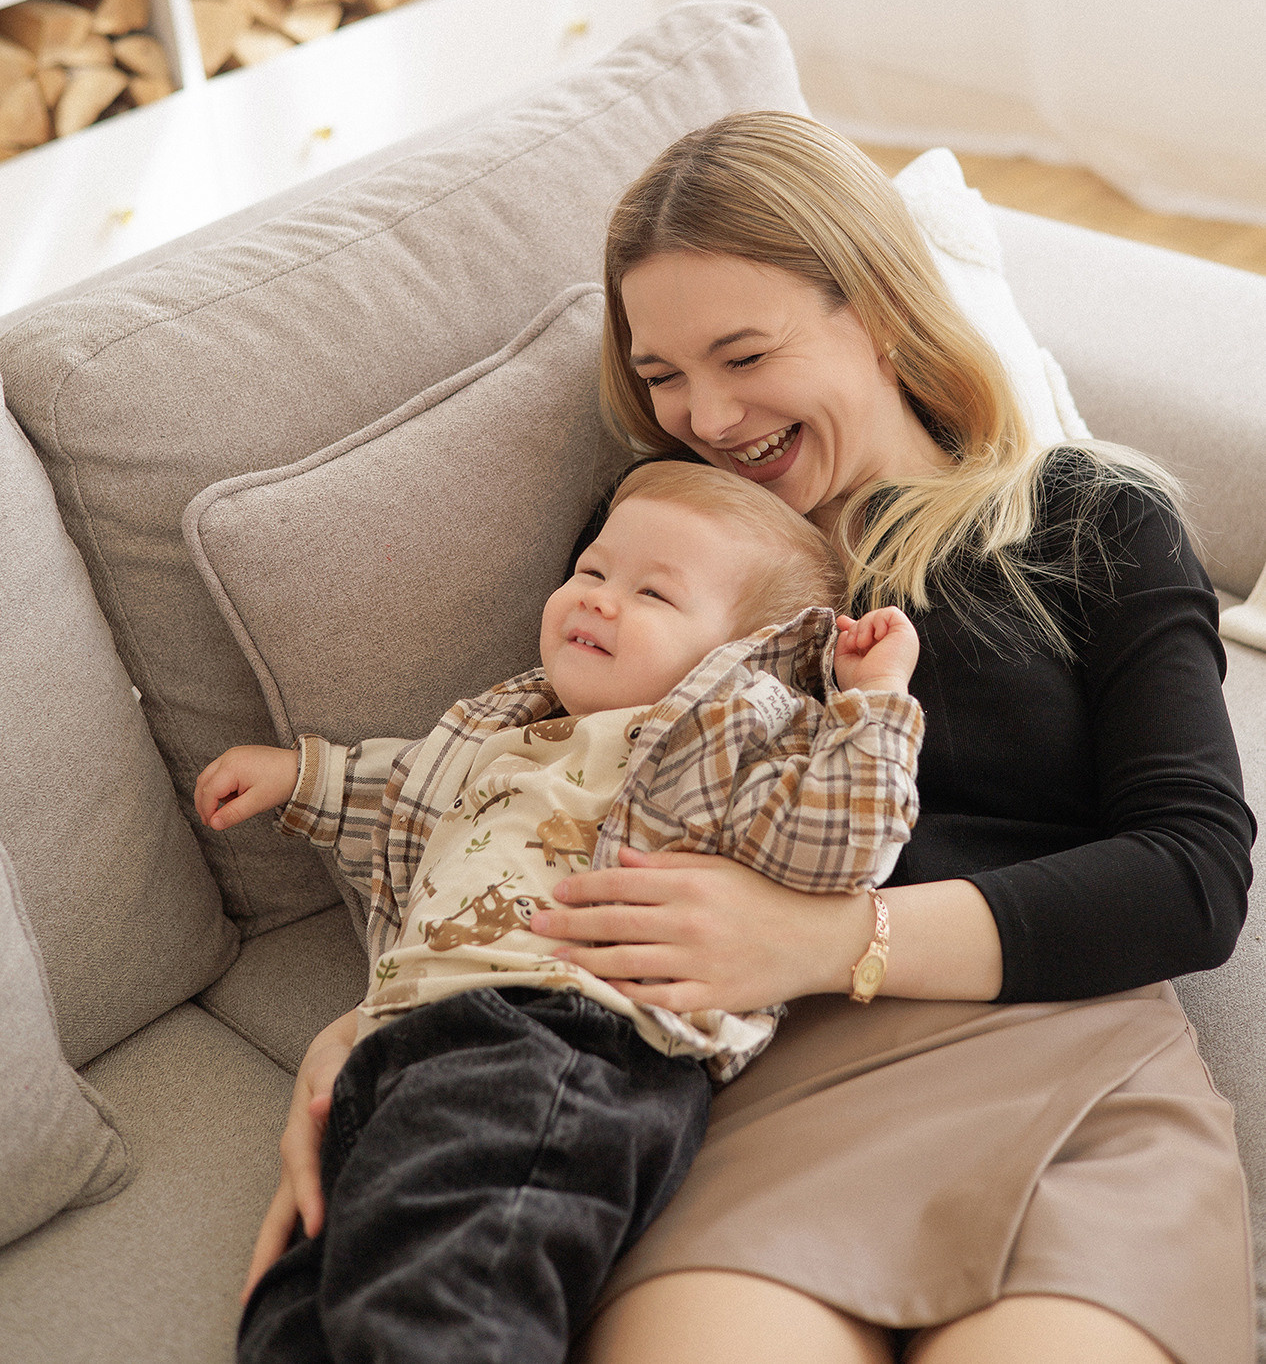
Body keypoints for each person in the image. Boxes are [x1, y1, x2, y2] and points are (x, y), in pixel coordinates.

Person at [254, 112, 1254, 1364]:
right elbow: (521, 794)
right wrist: (385, 1031)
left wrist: (833, 936)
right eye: (662, 373)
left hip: (1063, 1045)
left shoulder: (1086, 519)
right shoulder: (653, 540)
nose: (707, 416)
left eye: (743, 353)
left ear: (880, 309)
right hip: (736, 1080)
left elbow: (1194, 870)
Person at [195, 458, 925, 1364]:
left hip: (567, 1044)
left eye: (654, 593)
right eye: (592, 571)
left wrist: (874, 703)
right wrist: (302, 777)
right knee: (296, 1312)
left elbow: (839, 845)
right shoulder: (506, 732)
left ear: (742, 657)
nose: (600, 599)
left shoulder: (724, 743)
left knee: (447, 1301)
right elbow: (405, 798)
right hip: (400, 1049)